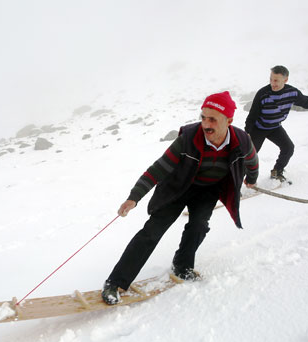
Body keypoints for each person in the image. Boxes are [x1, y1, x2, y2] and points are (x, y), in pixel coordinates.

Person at [101, 91, 259, 305]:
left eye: (213, 119)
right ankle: (116, 281)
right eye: (203, 117)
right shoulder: (188, 139)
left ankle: (182, 265)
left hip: (208, 190)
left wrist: (252, 178)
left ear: (229, 120)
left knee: (198, 225)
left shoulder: (241, 141)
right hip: (177, 188)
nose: (205, 124)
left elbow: (252, 161)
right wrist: (134, 197)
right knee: (152, 231)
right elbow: (158, 169)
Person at [244, 65, 308, 182]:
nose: (273, 83)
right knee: (249, 156)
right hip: (258, 129)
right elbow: (252, 115)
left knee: (288, 148)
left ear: (285, 80)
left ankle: (277, 172)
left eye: (276, 80)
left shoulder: (292, 92)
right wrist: (248, 133)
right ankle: (234, 184)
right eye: (271, 79)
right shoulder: (263, 93)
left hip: (275, 127)